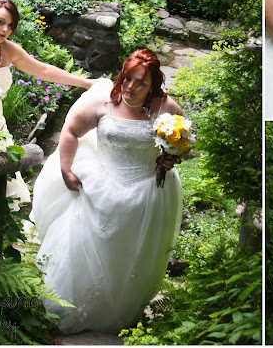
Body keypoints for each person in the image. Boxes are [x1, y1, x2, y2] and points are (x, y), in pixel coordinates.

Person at [31, 48, 186, 334]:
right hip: (101, 185)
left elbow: (184, 144)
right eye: (128, 79)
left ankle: (120, 308)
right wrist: (66, 169)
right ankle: (71, 304)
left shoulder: (165, 108)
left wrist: (172, 157)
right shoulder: (104, 100)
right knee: (82, 245)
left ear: (154, 85)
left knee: (133, 255)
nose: (131, 87)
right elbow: (71, 131)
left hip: (147, 192)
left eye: (141, 82)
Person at [0, 0, 94, 210]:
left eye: (11, 25)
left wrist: (85, 83)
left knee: (1, 199)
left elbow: (43, 70)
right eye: (0, 22)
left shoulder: (9, 50)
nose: (5, 30)